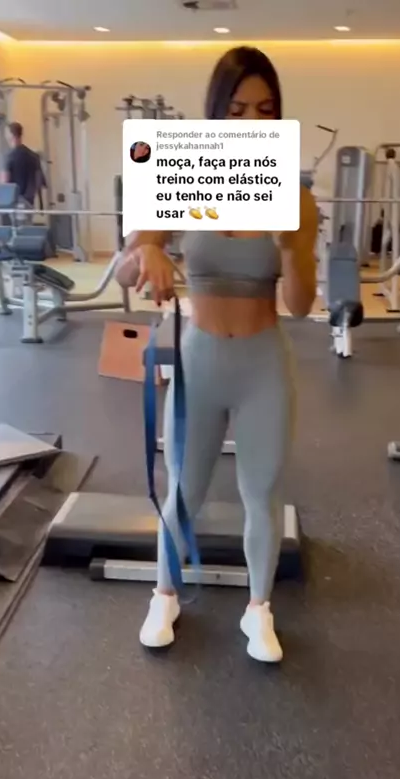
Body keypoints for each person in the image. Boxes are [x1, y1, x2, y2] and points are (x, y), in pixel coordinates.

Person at [116, 46, 318, 663]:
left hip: (262, 366)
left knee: (263, 493)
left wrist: (293, 248)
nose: (252, 120)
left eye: (265, 108)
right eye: (236, 109)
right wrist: (147, 250)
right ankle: (164, 595)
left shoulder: (296, 199)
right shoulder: (182, 175)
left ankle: (258, 609)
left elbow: (301, 305)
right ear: (215, 114)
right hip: (200, 361)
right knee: (184, 488)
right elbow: (124, 270)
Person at [1, 122, 45, 207]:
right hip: (29, 202)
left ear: (11, 135)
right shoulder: (34, 156)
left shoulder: (9, 157)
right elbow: (39, 181)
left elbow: (4, 182)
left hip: (13, 202)